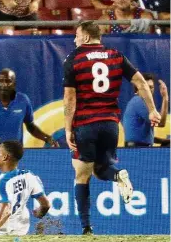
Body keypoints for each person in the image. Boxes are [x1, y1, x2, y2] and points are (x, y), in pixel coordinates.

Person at [63, 21, 161, 234]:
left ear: (86, 37)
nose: (74, 40)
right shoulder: (116, 55)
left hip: (85, 124)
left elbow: (70, 98)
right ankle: (118, 176)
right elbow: (141, 82)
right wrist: (153, 109)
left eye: (77, 36)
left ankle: (86, 228)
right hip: (110, 124)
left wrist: (68, 128)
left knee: (82, 175)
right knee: (100, 170)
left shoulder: (74, 59)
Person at [0, 68, 59, 149]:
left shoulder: (23, 100)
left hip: (15, 153)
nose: (4, 84)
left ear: (14, 84)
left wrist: (47, 138)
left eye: (8, 81)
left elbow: (31, 127)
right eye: (1, 81)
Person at [122, 73, 169, 147]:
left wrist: (165, 141)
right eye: (147, 87)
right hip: (136, 150)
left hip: (138, 148)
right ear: (138, 88)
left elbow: (141, 136)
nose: (149, 90)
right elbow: (161, 123)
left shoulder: (137, 102)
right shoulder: (138, 101)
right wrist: (165, 98)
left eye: (151, 87)